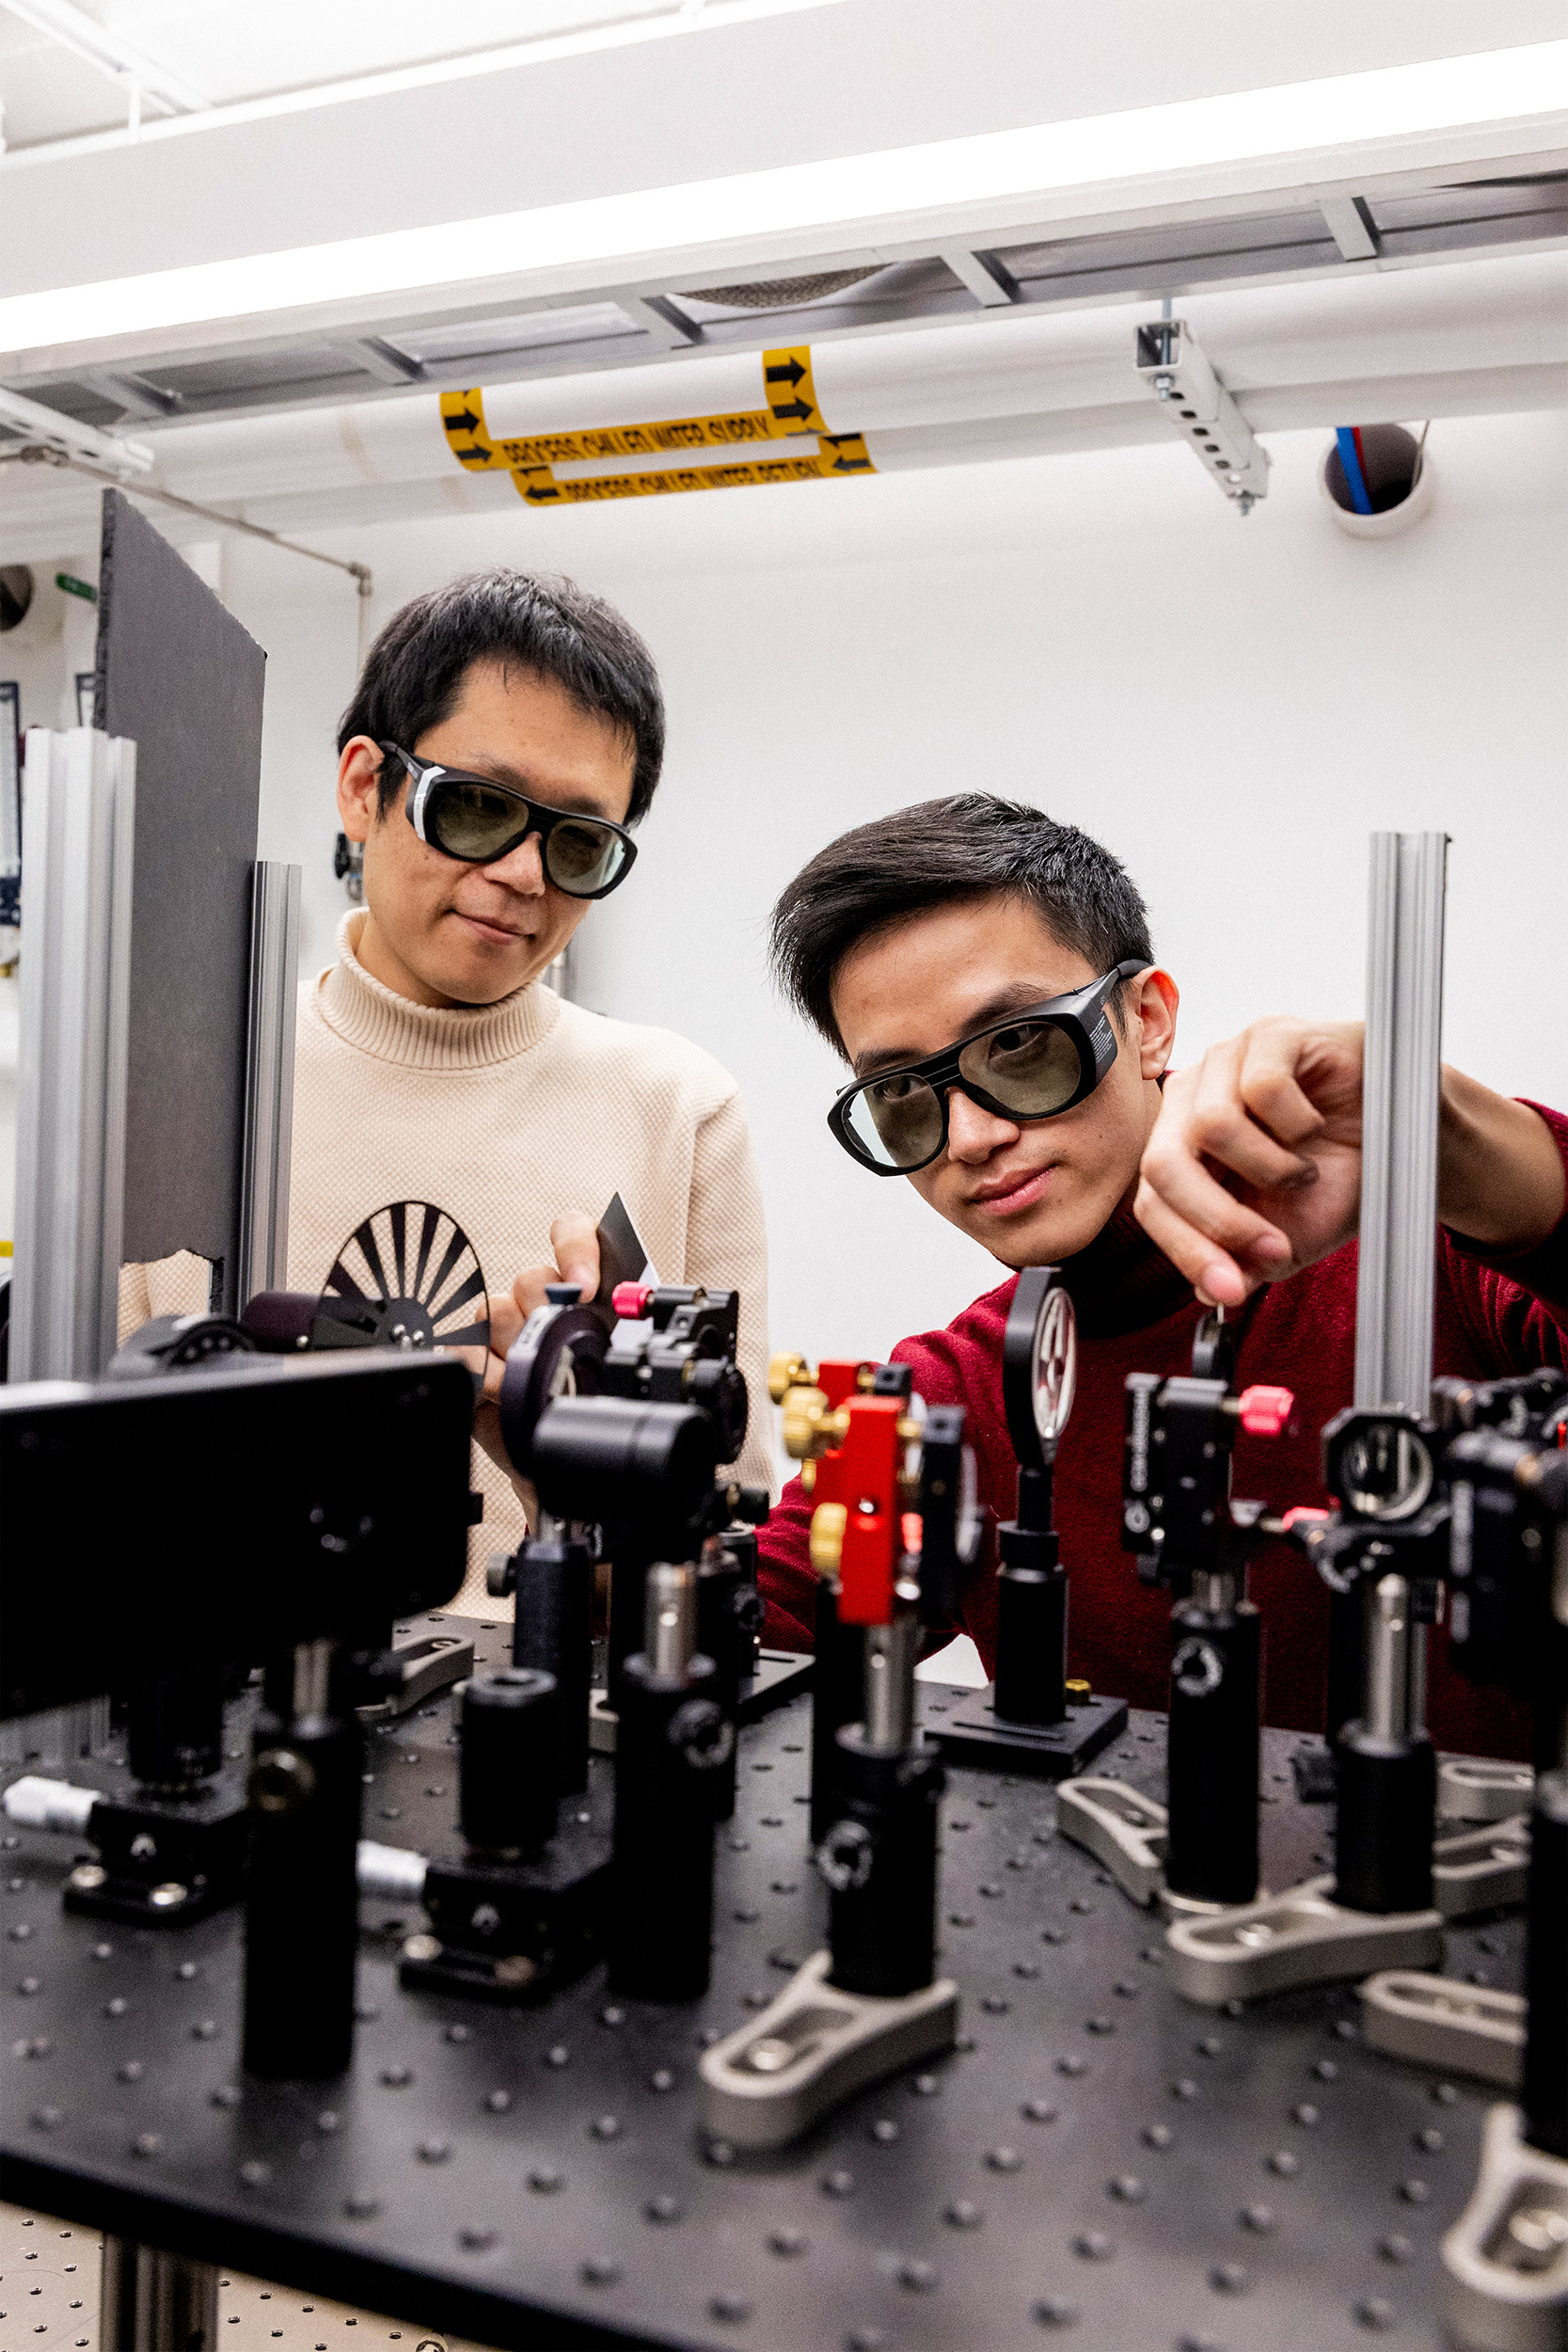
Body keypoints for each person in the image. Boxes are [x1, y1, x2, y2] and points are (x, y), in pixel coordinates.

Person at [756, 794, 1566, 1754]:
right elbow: (748, 1636)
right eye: (900, 1095)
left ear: (1145, 1020)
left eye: (1016, 1044)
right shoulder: (953, 1392)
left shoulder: (1418, 1259)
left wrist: (1445, 1142)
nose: (971, 1137)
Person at [121, 570, 774, 1602]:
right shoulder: (172, 1076)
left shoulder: (678, 1108)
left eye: (576, 841)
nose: (523, 873)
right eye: (476, 806)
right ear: (361, 786)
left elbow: (725, 1564)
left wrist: (579, 1473)